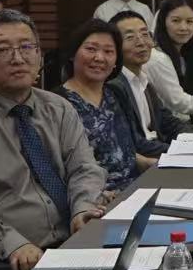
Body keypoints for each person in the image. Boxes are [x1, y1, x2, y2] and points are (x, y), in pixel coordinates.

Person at [0, 9, 109, 270]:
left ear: (39, 55)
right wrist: (12, 242)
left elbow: (84, 168)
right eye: (2, 50)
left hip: (76, 243)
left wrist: (83, 209)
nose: (17, 58)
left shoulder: (58, 108)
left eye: (26, 47)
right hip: (13, 260)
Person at [59, 19, 147, 189]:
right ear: (72, 54)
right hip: (95, 197)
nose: (99, 58)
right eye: (91, 49)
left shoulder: (116, 93)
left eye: (108, 51)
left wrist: (158, 163)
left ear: (116, 61)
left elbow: (127, 151)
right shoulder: (58, 103)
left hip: (137, 189)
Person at [109, 9, 179, 156]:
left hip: (159, 150)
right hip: (145, 160)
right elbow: (136, 144)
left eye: (145, 34)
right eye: (130, 37)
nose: (141, 42)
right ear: (114, 46)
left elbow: (169, 123)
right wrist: (180, 151)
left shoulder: (144, 81)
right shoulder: (114, 86)